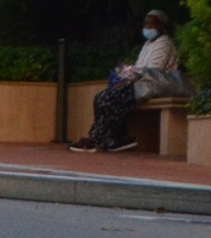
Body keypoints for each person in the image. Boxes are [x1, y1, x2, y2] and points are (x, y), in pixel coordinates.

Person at [73, 11, 184, 152]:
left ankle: (98, 139)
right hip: (143, 82)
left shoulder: (164, 44)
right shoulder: (148, 44)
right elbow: (140, 68)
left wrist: (130, 78)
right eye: (146, 23)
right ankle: (114, 137)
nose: (147, 27)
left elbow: (153, 71)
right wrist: (127, 73)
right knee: (100, 97)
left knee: (110, 98)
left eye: (152, 24)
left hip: (156, 84)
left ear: (161, 26)